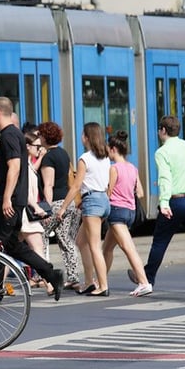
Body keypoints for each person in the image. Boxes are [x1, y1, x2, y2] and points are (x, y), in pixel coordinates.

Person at [0, 96, 64, 301]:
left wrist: (5, 199)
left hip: (9, 200)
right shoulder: (13, 134)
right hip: (13, 199)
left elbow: (14, 167)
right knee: (11, 245)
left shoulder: (10, 135)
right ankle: (51, 274)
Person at [129, 115, 185, 294]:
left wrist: (163, 202)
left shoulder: (162, 152)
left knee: (160, 242)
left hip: (176, 201)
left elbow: (165, 178)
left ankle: (147, 278)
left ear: (163, 130)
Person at [57, 122, 111, 297]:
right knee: (81, 241)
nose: (80, 137)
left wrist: (63, 208)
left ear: (87, 137)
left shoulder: (84, 159)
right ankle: (89, 282)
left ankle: (102, 285)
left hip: (92, 202)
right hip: (103, 200)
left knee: (95, 245)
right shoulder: (105, 157)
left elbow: (75, 186)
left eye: (82, 134)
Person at [102, 130, 152, 297]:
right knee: (106, 248)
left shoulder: (114, 168)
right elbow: (141, 193)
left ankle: (144, 282)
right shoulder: (133, 168)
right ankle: (100, 281)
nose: (107, 152)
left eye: (108, 149)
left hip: (116, 211)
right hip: (130, 211)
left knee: (128, 248)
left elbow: (109, 192)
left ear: (114, 149)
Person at [37, 121, 83, 292]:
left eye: (40, 135)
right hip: (69, 202)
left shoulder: (49, 157)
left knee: (39, 236)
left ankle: (41, 274)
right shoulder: (64, 154)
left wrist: (47, 210)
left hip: (56, 203)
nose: (38, 138)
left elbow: (48, 184)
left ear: (45, 137)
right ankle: (73, 277)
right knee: (66, 240)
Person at [21, 130, 50, 290]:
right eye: (37, 146)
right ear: (27, 146)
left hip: (25, 214)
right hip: (26, 215)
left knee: (10, 251)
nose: (40, 148)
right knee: (38, 247)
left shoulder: (27, 164)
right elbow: (26, 193)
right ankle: (49, 283)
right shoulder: (23, 165)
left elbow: (32, 170)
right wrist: (37, 207)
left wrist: (40, 157)